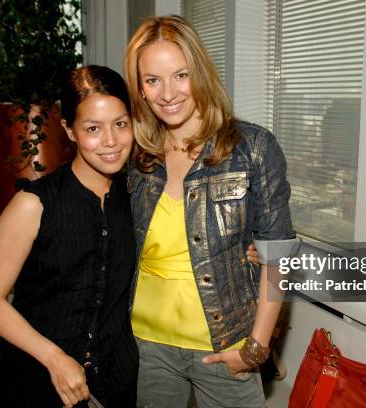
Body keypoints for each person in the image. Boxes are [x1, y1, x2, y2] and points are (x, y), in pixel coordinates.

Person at [124, 15, 300, 408]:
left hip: (226, 344)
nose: (167, 93)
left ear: (200, 74)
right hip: (146, 348)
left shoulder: (252, 147)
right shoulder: (135, 157)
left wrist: (256, 347)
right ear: (140, 89)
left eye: (180, 75)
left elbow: (278, 259)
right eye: (152, 80)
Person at [0, 65, 138, 408]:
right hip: (37, 383)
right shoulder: (33, 204)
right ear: (69, 129)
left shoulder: (137, 196)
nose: (111, 141)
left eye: (120, 124)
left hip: (114, 381)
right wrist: (54, 358)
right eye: (93, 128)